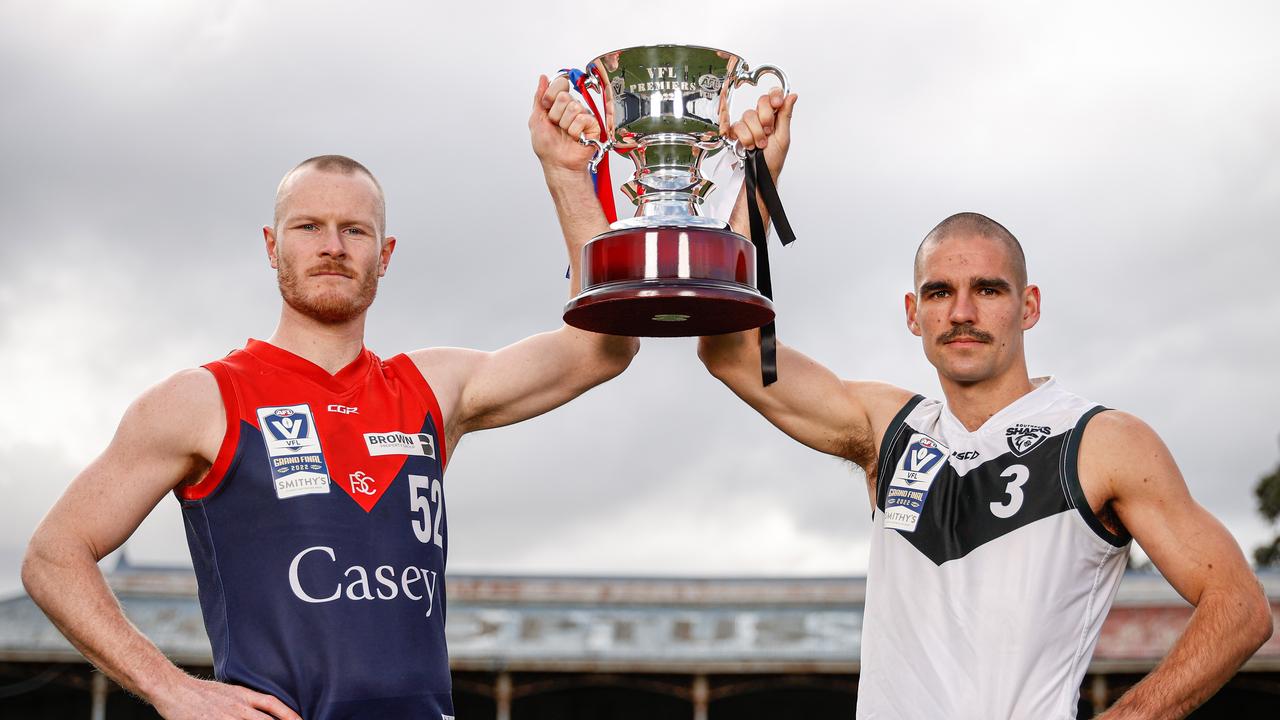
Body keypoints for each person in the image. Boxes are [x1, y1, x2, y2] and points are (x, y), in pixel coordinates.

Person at [547, 78, 1274, 717]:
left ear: (1029, 306)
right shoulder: (887, 430)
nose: (962, 311)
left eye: (987, 290)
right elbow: (731, 350)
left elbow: (1240, 609)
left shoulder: (1100, 442)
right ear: (913, 313)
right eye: (940, 292)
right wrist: (757, 176)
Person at [21, 76, 638, 720]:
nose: (333, 247)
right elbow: (52, 556)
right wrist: (174, 690)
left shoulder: (432, 387)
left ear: (386, 253)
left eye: (355, 231)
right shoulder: (202, 400)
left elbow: (603, 347)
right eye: (309, 226)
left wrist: (567, 174)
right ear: (272, 245)